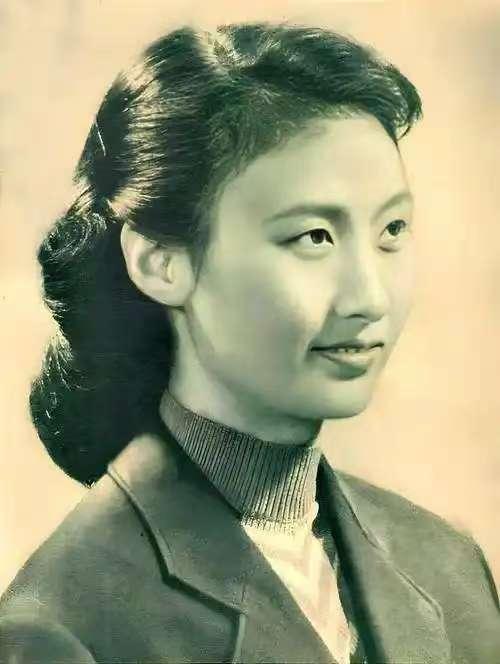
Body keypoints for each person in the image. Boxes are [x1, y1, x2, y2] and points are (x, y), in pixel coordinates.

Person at [0, 21, 498, 664]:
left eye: (392, 230)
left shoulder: (449, 567)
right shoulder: (61, 628)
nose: (370, 297)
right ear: (160, 262)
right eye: (314, 237)